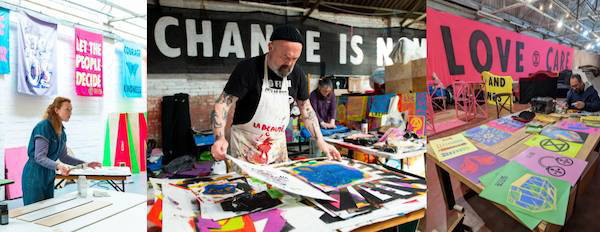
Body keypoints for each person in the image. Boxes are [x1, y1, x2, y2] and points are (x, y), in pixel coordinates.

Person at [211, 25, 341, 166]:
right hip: (245, 143)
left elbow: (306, 109)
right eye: (285, 57)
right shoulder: (248, 69)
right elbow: (222, 104)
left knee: (277, 187)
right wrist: (219, 137)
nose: (289, 64)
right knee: (248, 186)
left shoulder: (297, 74)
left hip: (277, 145)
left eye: (294, 59)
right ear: (270, 47)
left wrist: (321, 141)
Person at [22, 97, 102, 205]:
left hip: (49, 174)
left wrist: (86, 164)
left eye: (71, 110)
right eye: (67, 109)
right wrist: (58, 166)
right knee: (33, 212)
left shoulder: (61, 131)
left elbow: (64, 156)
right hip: (35, 175)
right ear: (56, 110)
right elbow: (39, 157)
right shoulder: (43, 127)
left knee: (47, 211)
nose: (70, 113)